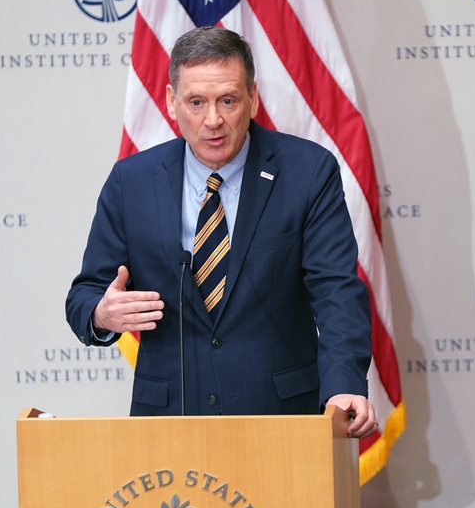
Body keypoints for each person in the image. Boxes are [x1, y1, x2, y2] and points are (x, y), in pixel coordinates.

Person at [66, 26, 376, 438]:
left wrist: (344, 385)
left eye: (227, 100)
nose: (213, 120)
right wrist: (102, 314)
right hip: (168, 421)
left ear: (253, 99)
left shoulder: (307, 172)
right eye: (196, 102)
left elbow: (336, 290)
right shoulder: (132, 181)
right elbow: (86, 293)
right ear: (171, 103)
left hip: (281, 418)